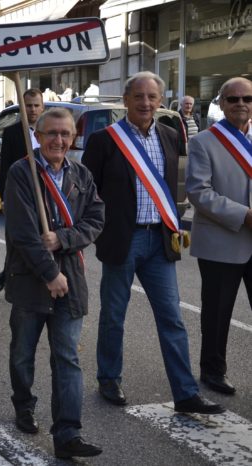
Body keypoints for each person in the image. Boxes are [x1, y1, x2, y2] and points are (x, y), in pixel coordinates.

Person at [82, 71, 224, 414]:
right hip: (122, 240)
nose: (146, 103)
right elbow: (88, 191)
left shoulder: (171, 134)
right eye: (139, 97)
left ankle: (185, 393)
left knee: (172, 318)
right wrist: (95, 232)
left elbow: (174, 185)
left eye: (152, 97)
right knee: (114, 316)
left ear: (161, 101)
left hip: (159, 240)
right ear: (126, 101)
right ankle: (109, 378)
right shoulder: (104, 140)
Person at [5, 107, 104, 459]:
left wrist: (64, 238)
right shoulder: (22, 172)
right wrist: (49, 273)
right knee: (22, 354)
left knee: (67, 359)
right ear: (39, 136)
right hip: (31, 279)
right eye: (51, 134)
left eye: (65, 134)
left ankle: (68, 434)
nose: (58, 140)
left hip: (72, 281)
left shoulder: (81, 173)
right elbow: (23, 232)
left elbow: (96, 218)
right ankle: (24, 404)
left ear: (73, 138)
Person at [186, 77, 252, 395]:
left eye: (247, 98)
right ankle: (213, 371)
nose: (241, 103)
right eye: (233, 99)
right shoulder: (203, 142)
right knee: (217, 313)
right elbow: (200, 192)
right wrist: (245, 216)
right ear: (222, 104)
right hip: (222, 241)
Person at [0, 88, 45, 292]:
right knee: (15, 237)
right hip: (20, 193)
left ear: (43, 107)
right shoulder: (12, 132)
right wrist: (5, 197)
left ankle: (37, 275)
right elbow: (6, 166)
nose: (32, 109)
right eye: (28, 105)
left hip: (45, 193)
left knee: (42, 237)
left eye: (36, 105)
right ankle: (8, 273)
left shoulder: (49, 130)